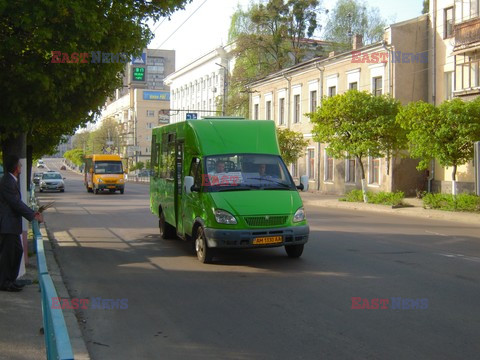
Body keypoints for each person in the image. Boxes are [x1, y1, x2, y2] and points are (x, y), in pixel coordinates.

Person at [0, 155, 43, 292]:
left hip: (11, 225)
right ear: (15, 167)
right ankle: (5, 282)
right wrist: (33, 214)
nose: (21, 167)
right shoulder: (7, 180)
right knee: (8, 255)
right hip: (7, 224)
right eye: (20, 165)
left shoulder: (11, 180)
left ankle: (10, 280)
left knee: (17, 252)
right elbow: (15, 203)